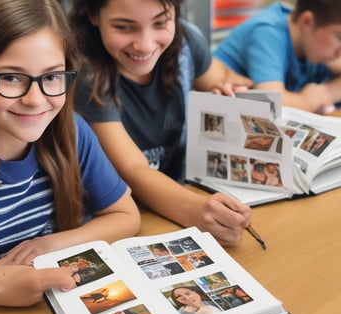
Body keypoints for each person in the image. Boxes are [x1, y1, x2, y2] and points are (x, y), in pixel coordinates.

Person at [0, 0, 141, 307]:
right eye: (10, 77)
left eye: (51, 77)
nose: (35, 100)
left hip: (59, 302)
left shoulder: (72, 132)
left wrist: (51, 245)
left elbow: (125, 216)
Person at [69, 0, 252, 247]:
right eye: (124, 27)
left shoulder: (186, 42)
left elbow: (225, 79)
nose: (145, 44)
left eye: (160, 23)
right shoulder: (85, 72)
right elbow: (133, 170)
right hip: (120, 222)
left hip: (178, 196)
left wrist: (228, 91)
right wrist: (196, 210)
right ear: (93, 13)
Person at [213, 1, 341, 114]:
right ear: (306, 21)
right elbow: (273, 103)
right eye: (339, 38)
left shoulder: (314, 44)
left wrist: (326, 93)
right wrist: (307, 101)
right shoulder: (267, 31)